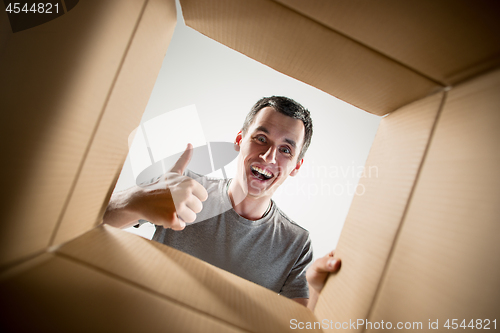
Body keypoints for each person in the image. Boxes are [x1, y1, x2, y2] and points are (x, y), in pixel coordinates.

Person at [104, 96, 341, 310]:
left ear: (296, 166)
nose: (269, 156)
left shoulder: (296, 243)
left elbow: (296, 325)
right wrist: (139, 198)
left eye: (286, 150)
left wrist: (316, 288)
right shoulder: (183, 188)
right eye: (261, 138)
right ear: (240, 139)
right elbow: (86, 218)